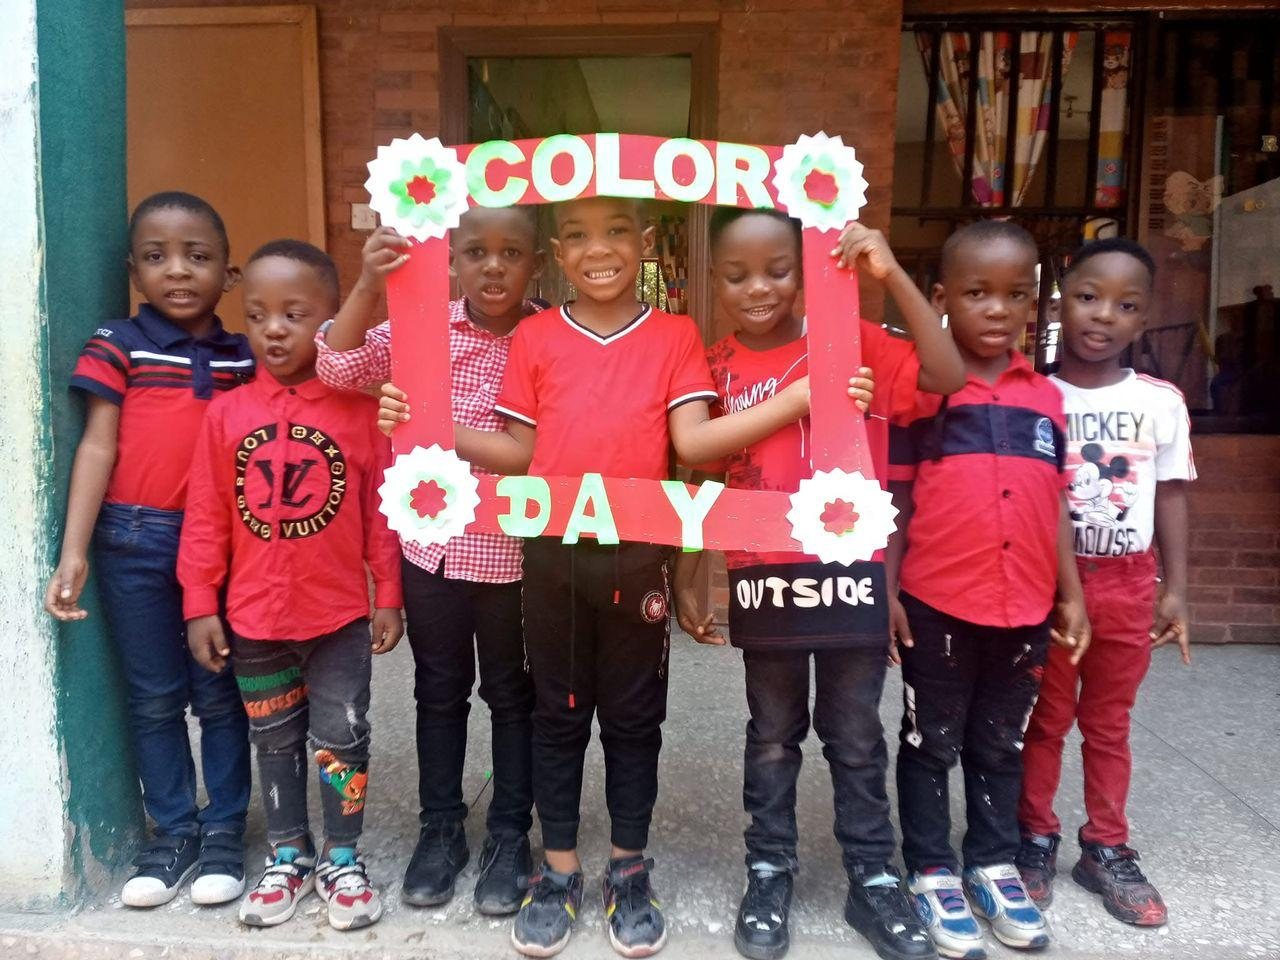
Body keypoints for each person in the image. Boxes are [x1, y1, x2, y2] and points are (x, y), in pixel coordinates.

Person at [378, 195, 871, 959]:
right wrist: (431, 424)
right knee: (557, 715)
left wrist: (801, 396)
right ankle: (560, 869)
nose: (596, 248)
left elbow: (697, 445)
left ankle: (628, 869)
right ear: (557, 254)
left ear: (645, 244)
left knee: (636, 721)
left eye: (615, 232)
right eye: (576, 235)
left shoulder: (675, 336)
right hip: (548, 555)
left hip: (640, 554)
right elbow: (520, 453)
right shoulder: (537, 335)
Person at [672, 208, 964, 960]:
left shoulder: (852, 344)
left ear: (808, 272)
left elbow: (945, 376)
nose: (758, 287)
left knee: (856, 735)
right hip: (764, 576)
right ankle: (769, 869)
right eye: (736, 275)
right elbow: (699, 469)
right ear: (715, 282)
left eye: (778, 269)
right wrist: (693, 571)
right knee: (772, 735)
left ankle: (873, 878)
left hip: (852, 572)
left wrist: (890, 273)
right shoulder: (715, 363)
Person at [315, 210, 544, 915]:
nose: (494, 267)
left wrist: (433, 417)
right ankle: (440, 826)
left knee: (511, 695)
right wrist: (366, 284)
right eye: (476, 252)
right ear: (451, 260)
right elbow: (338, 364)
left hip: (514, 554)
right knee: (438, 692)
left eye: (511, 253)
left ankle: (510, 831)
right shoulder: (422, 327)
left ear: (537, 263)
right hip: (433, 549)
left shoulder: (548, 337)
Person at [178, 240, 404, 931]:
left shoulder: (363, 416)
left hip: (337, 620)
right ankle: (288, 856)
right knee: (272, 740)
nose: (274, 329)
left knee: (343, 739)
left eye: (296, 314)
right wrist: (198, 605)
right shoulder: (226, 415)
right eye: (258, 315)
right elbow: (207, 516)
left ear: (333, 320)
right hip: (252, 622)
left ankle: (341, 857)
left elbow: (381, 517)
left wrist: (387, 596)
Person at [886, 220, 1090, 958]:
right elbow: (897, 503)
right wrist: (887, 591)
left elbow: (1058, 503)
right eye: (977, 293)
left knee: (1002, 743)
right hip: (938, 602)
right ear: (942, 299)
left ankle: (993, 863)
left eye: (1016, 294)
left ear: (1036, 303)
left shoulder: (1048, 400)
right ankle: (933, 869)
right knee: (930, 741)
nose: (998, 309)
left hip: (1028, 606)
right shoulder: (922, 394)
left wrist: (1070, 594)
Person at [45, 191, 253, 908]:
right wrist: (75, 550)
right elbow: (98, 445)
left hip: (220, 548)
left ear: (229, 274)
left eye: (198, 257)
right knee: (156, 697)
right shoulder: (118, 343)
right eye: (158, 257)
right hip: (132, 539)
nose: (178, 271)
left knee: (220, 693)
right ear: (134, 271)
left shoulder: (245, 357)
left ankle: (226, 830)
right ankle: (172, 832)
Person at [1016, 238, 1194, 928]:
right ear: (1061, 300)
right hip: (1051, 583)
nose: (1103, 316)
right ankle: (1034, 838)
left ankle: (1106, 846)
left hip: (1128, 580)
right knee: (1047, 718)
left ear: (1144, 322)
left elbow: (1173, 493)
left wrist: (1175, 588)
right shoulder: (1032, 393)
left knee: (1109, 723)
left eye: (1126, 306)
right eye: (1089, 297)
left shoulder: (1161, 401)